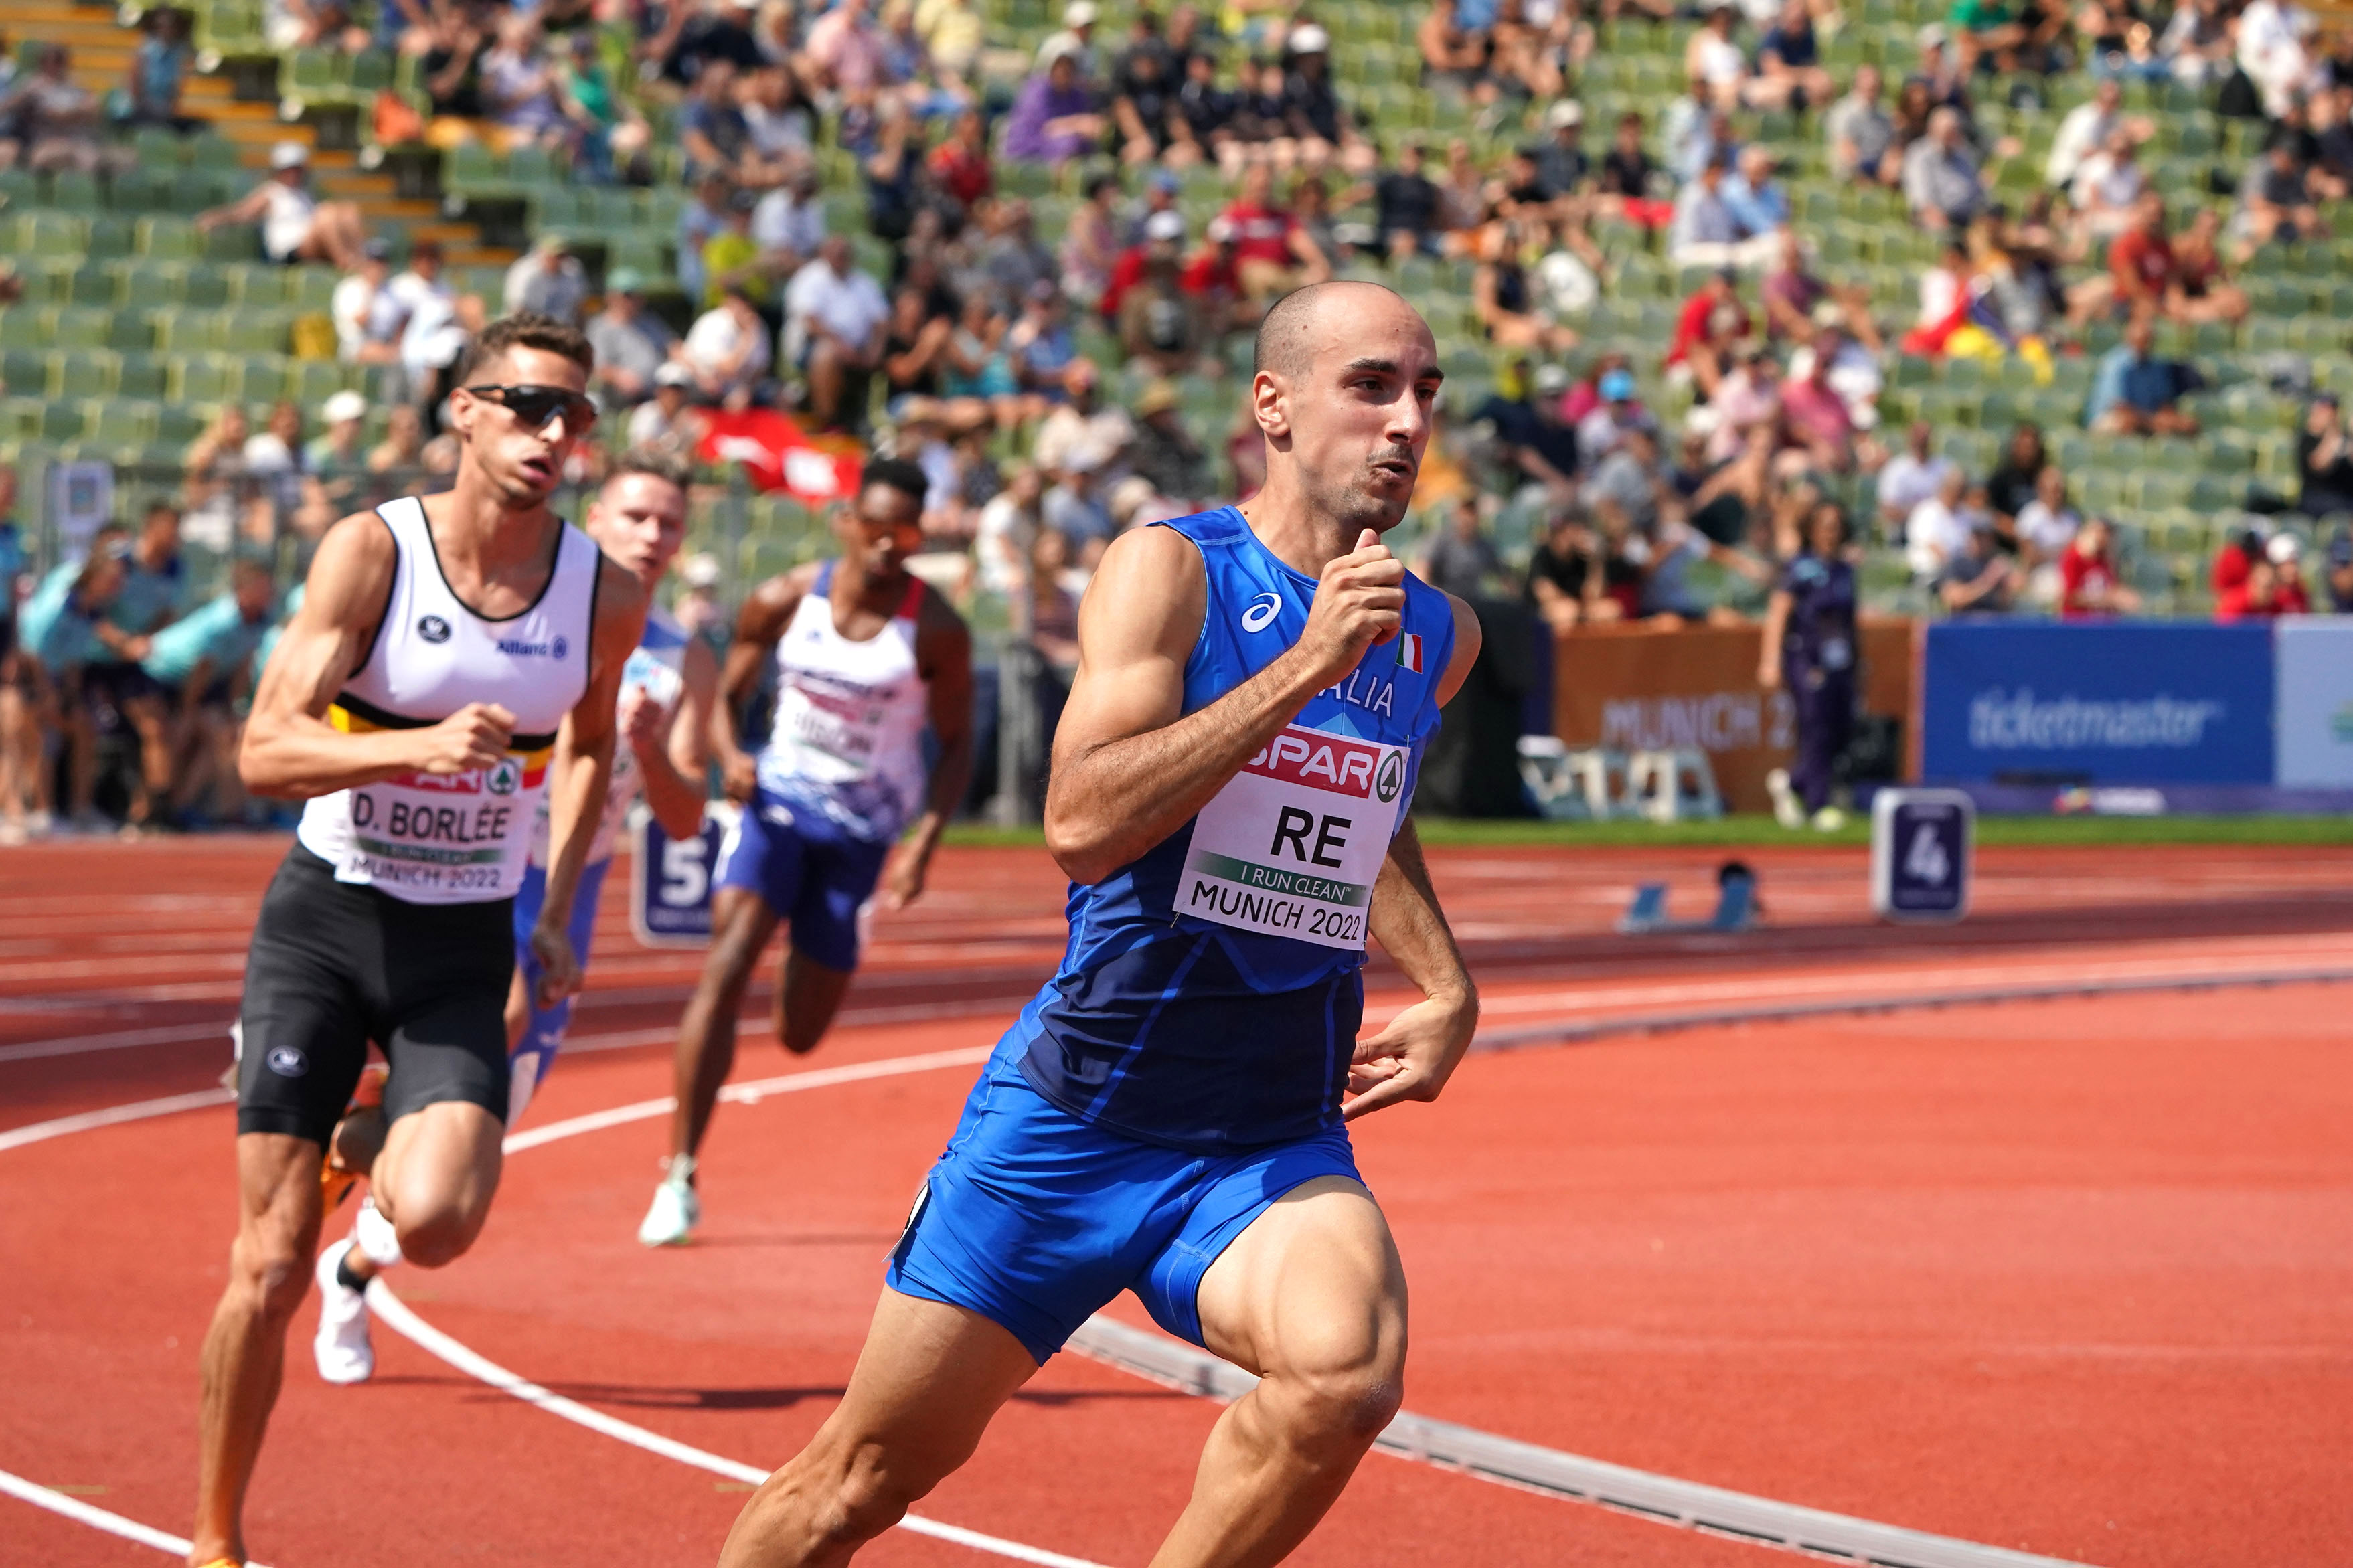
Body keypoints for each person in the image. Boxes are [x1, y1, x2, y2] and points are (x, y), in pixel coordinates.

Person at [711, 279, 1481, 1568]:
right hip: (1075, 1123)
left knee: (1346, 1377)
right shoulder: (1169, 570)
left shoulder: (1434, 634)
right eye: (1372, 387)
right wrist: (1304, 664)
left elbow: (1367, 805)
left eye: (1425, 392)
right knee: (857, 1481)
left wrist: (1445, 980)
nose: (1408, 421)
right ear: (1275, 405)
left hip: (1265, 1137)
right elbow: (1080, 820)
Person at [189, 315, 647, 1568]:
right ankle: (215, 1540)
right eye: (528, 404)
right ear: (464, 410)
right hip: (326, 923)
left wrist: (554, 902)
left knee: (440, 1218)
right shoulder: (372, 550)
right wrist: (414, 746)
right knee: (270, 1262)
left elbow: (591, 742)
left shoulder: (601, 592)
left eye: (574, 416)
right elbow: (264, 747)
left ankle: (359, 1141)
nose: (552, 433)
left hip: (460, 940)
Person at [313, 450, 710, 1380]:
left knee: (474, 1144)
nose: (652, 536)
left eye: (669, 523)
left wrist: (650, 751)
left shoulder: (684, 655)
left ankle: (351, 1250)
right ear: (594, 520)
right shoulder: (539, 613)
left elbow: (687, 815)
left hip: (573, 884)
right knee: (503, 1020)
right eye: (635, 516)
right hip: (476, 868)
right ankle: (321, 1101)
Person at [638, 459, 973, 1246]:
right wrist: (731, 757)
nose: (889, 546)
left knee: (799, 1034)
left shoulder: (935, 628)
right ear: (848, 523)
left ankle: (809, 937)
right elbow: (722, 698)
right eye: (877, 528)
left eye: (906, 534)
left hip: (860, 835)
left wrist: (923, 843)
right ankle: (678, 1175)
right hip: (777, 807)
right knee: (726, 964)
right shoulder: (787, 599)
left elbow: (957, 742)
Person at [140, 557, 278, 826]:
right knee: (181, 737)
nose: (269, 595)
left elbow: (242, 665)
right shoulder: (222, 621)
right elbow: (201, 670)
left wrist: (233, 707)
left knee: (218, 737)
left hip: (203, 683)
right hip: (161, 676)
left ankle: (186, 808)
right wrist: (187, 714)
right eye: (262, 589)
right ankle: (166, 810)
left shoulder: (262, 619)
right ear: (243, 591)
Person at [1759, 503, 1856, 831]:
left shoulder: (1844, 570)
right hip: (1806, 657)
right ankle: (1818, 804)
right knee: (1816, 728)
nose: (1831, 533)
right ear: (1812, 531)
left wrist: (1858, 663)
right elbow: (1779, 612)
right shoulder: (1799, 568)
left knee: (1841, 729)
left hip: (1839, 660)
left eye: (1836, 526)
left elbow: (1849, 621)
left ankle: (1792, 781)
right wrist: (1770, 660)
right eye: (1825, 526)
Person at [197, 142, 370, 271]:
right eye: (289, 170)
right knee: (327, 213)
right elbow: (243, 213)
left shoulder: (305, 195)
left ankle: (360, 258)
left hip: (311, 246)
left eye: (297, 170)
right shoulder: (271, 192)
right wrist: (215, 218)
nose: (293, 174)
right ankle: (346, 263)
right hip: (289, 253)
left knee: (348, 211)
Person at [2086, 316, 2200, 436]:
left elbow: (2164, 403)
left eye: (2148, 341)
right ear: (2128, 340)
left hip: (2147, 418)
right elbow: (2121, 407)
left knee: (2187, 424)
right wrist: (2153, 421)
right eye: (2139, 341)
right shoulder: (2115, 364)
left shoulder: (2157, 365)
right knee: (2126, 423)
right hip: (2110, 418)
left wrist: (2171, 420)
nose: (2144, 345)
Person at [2058, 514, 2141, 618]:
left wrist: (2125, 596)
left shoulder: (2106, 560)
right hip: (2078, 623)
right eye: (2101, 532)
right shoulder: (2073, 559)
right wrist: (2109, 599)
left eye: (2108, 533)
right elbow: (2070, 598)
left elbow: (2111, 588)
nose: (2104, 537)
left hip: (2104, 622)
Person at [2297, 393, 2353, 520]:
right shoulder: (2308, 439)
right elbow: (2319, 465)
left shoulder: (2345, 439)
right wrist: (2332, 432)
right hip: (2317, 500)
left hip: (2346, 498)